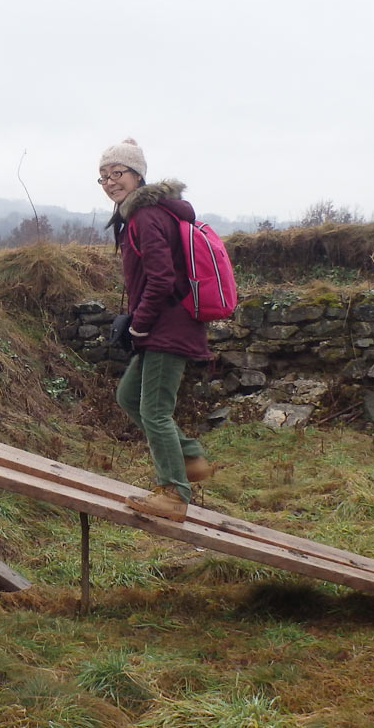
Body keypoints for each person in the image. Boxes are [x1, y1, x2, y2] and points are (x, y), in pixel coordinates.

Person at [98, 138, 215, 522]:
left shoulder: (146, 216)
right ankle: (190, 457)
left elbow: (162, 278)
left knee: (154, 410)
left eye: (117, 173)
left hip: (168, 326)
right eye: (103, 177)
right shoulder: (141, 214)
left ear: (137, 175)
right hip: (163, 326)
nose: (110, 182)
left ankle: (174, 493)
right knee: (128, 395)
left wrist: (140, 326)